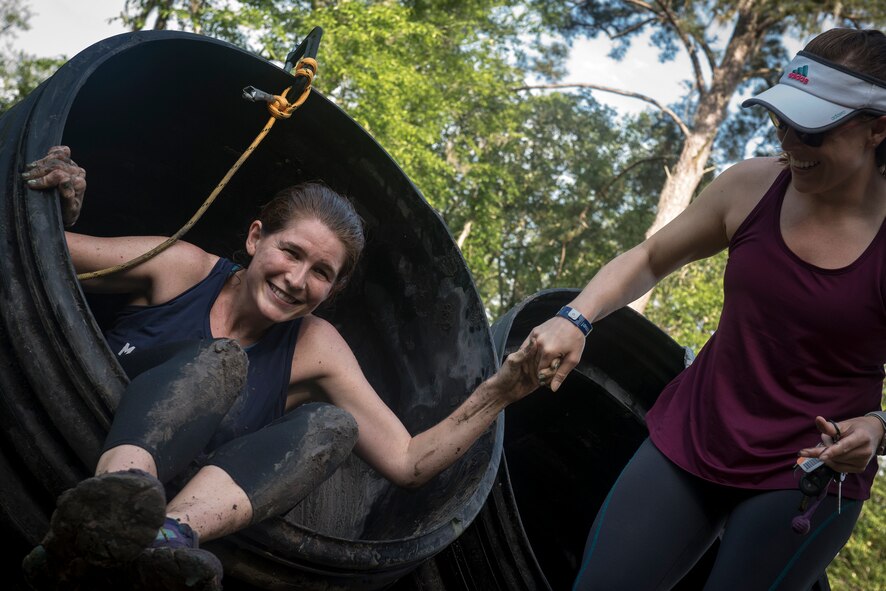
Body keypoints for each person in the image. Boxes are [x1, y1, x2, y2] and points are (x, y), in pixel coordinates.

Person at [19, 146, 539, 591]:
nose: (296, 279)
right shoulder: (180, 268)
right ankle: (109, 511)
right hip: (86, 442)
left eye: (320, 273)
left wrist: (500, 390)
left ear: (331, 291)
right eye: (290, 252)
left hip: (177, 502)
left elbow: (407, 462)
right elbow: (38, 253)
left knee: (334, 425)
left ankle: (165, 538)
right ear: (255, 239)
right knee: (220, 363)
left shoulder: (315, 347)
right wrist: (60, 205)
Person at [525, 28, 886, 591]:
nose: (789, 142)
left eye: (811, 130)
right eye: (781, 120)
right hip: (693, 437)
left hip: (808, 473)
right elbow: (648, 257)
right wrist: (575, 317)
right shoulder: (749, 188)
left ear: (877, 129)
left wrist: (878, 426)